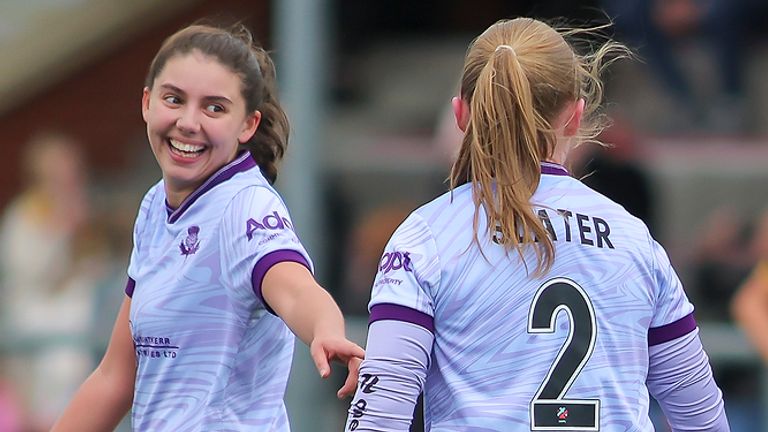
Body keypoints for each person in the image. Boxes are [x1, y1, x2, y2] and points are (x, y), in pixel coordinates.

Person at [346, 17, 729, 431]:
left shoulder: (427, 236)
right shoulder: (634, 239)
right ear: (576, 118)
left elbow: (380, 416)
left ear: (460, 115)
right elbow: (702, 417)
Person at [51, 23, 363, 431]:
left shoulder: (245, 205)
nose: (188, 122)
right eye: (174, 99)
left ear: (248, 125)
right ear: (147, 102)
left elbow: (294, 286)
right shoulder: (153, 209)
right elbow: (115, 378)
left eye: (214, 108)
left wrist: (325, 328)